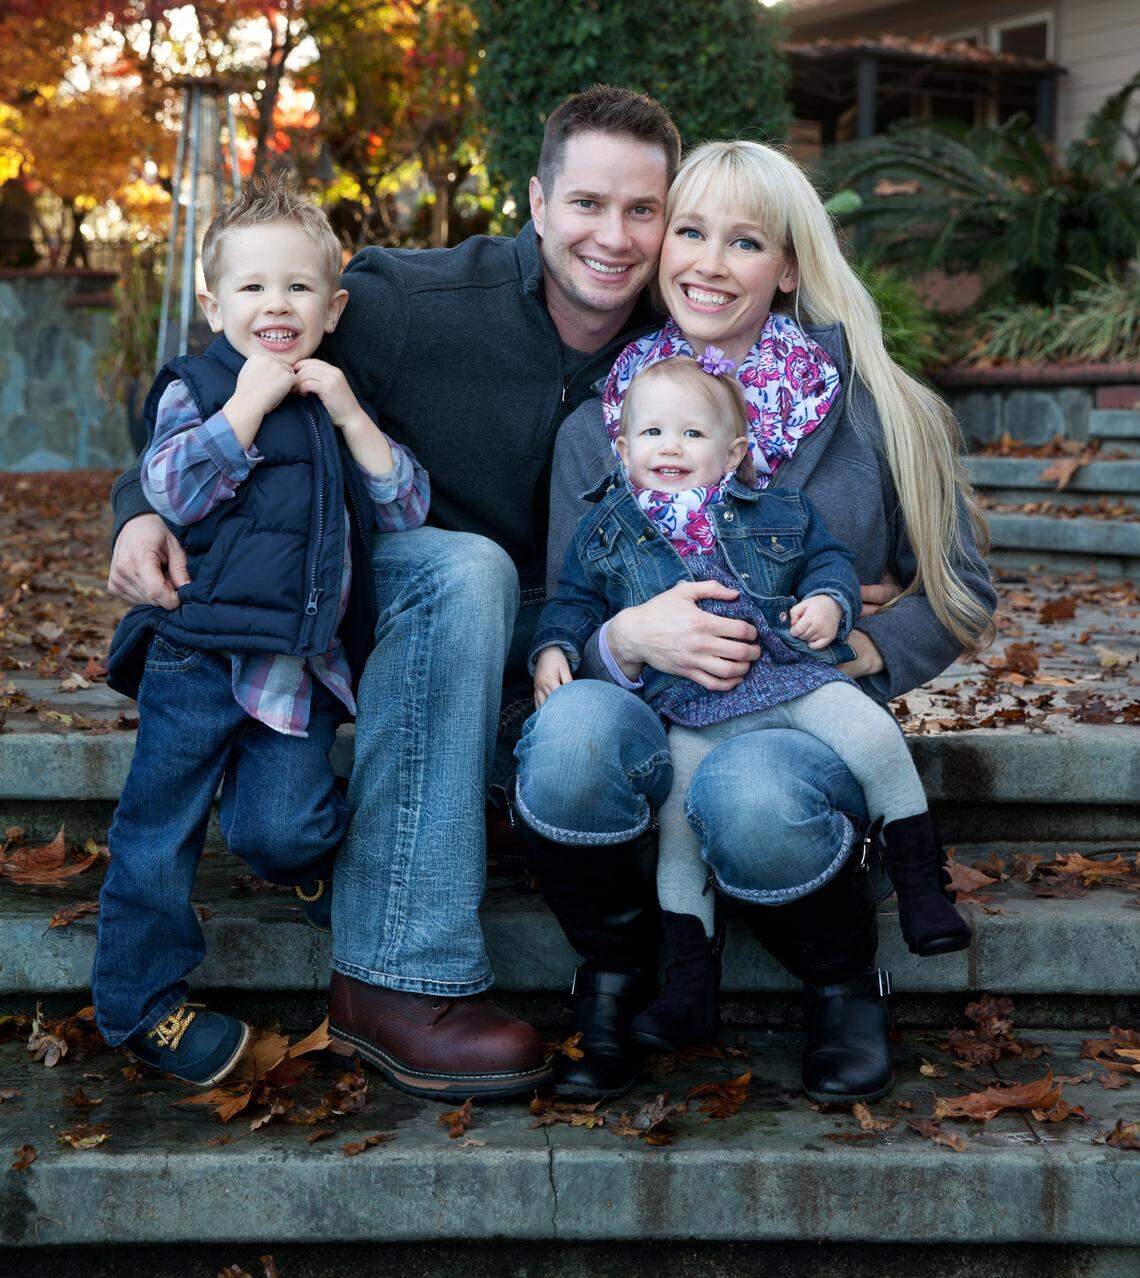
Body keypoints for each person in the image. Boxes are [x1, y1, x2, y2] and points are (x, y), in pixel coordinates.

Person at [104, 86, 682, 1099]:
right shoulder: (415, 301)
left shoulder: (692, 342)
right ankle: (401, 979)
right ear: (538, 204)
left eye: (644, 211)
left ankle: (465, 823)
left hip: (570, 663)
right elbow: (226, 365)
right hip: (380, 617)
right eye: (588, 204)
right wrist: (135, 511)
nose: (615, 237)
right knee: (466, 563)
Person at [512, 139, 996, 1103]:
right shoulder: (601, 422)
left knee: (753, 791)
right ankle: (616, 979)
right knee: (566, 741)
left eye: (744, 243)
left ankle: (844, 985)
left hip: (798, 721)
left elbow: (963, 587)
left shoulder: (873, 410)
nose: (707, 262)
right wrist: (620, 641)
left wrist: (864, 648)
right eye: (689, 232)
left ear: (787, 270)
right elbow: (559, 595)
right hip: (648, 711)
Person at [528, 351, 971, 1055]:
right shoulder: (606, 531)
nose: (669, 448)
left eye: (692, 436)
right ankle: (689, 984)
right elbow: (573, 603)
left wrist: (832, 602)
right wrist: (556, 648)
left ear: (734, 453)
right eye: (651, 435)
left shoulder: (778, 510)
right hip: (689, 710)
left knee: (867, 732)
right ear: (621, 446)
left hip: (791, 679)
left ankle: (921, 884)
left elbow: (826, 561)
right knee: (679, 836)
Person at [95, 178, 431, 1085]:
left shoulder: (335, 402)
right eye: (250, 288)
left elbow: (403, 508)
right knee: (158, 828)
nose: (275, 305)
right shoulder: (197, 387)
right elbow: (171, 490)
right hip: (196, 654)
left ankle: (299, 861)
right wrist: (245, 403)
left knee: (284, 828)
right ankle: (140, 1004)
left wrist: (351, 411)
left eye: (297, 288)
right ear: (213, 304)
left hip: (297, 664)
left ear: (334, 306)